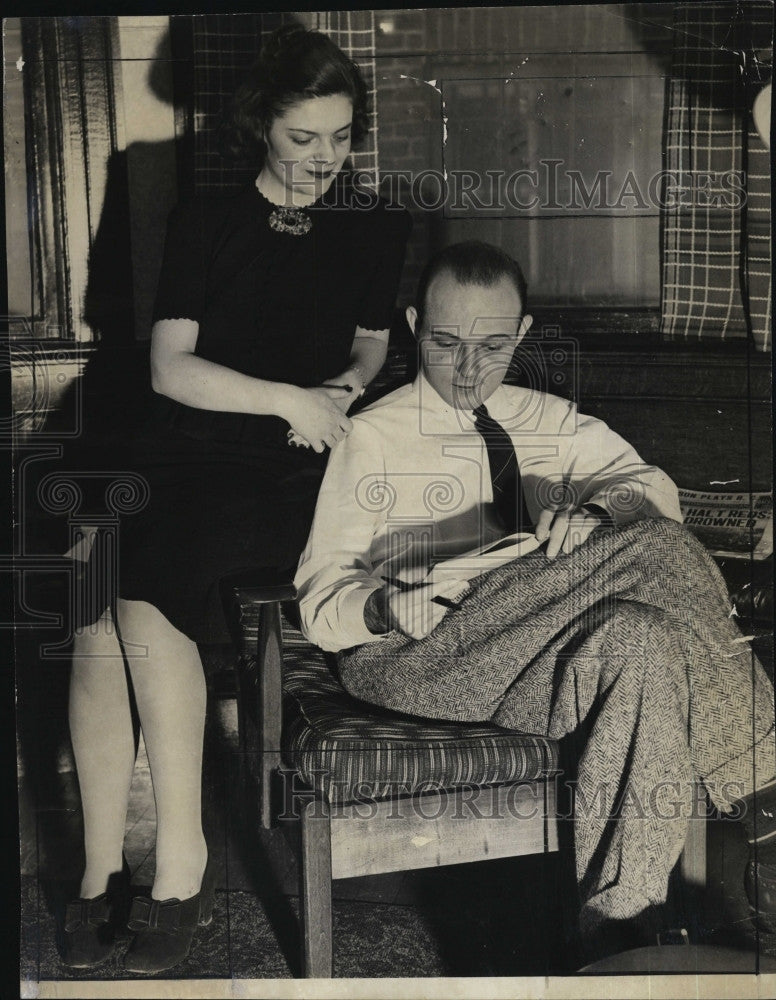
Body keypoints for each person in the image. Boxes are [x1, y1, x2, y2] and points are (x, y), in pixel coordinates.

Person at [295, 240, 776, 962]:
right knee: (659, 550)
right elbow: (319, 598)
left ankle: (617, 934)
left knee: (639, 636)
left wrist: (598, 513)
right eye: (446, 342)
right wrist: (382, 607)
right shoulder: (370, 436)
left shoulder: (552, 420)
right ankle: (768, 814)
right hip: (420, 650)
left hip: (533, 652)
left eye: (492, 345)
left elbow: (652, 488)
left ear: (521, 335)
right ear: (414, 324)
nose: (467, 368)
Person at [61, 24, 410, 974]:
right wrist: (285, 395)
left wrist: (336, 392)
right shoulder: (207, 217)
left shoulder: (374, 224)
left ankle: (180, 861)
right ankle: (99, 870)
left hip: (291, 470)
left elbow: (374, 343)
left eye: (340, 139)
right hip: (188, 443)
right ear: (262, 127)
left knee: (143, 588)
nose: (323, 161)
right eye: (304, 140)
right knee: (88, 603)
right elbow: (172, 371)